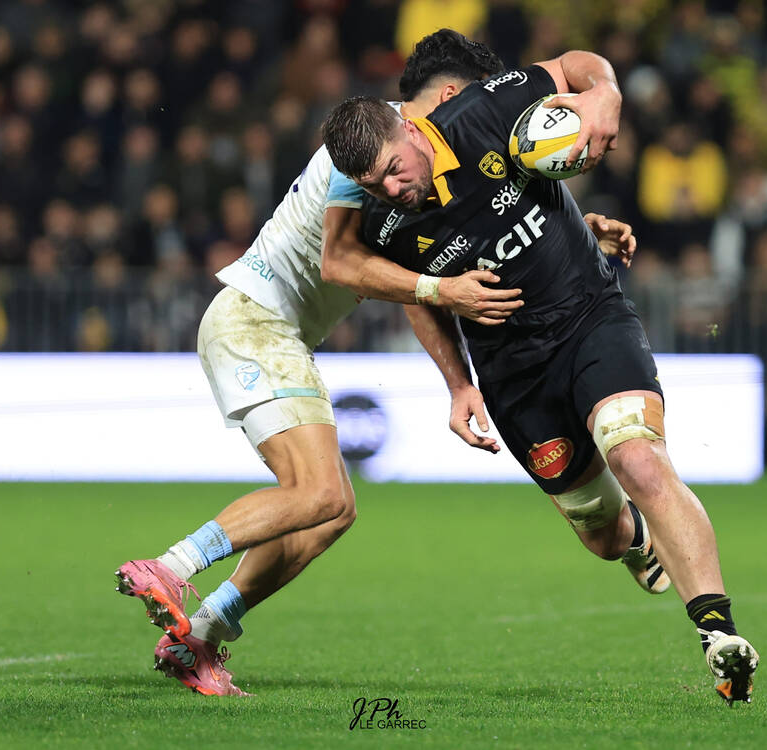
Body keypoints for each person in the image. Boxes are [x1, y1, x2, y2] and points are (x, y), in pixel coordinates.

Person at [112, 30, 642, 698]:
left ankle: (201, 634)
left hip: (275, 332)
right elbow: (345, 264)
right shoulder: (364, 145)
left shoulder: (410, 167)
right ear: (449, 96)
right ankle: (171, 566)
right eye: (471, 96)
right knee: (321, 494)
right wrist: (441, 292)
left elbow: (434, 262)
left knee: (332, 511)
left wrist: (570, 233)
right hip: (255, 323)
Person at [321, 50, 759, 704]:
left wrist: (603, 95)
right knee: (603, 534)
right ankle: (638, 542)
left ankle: (718, 635)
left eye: (391, 168)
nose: (390, 187)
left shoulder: (483, 114)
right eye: (371, 183)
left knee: (637, 457)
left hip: (589, 318)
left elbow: (578, 65)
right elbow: (412, 295)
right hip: (514, 377)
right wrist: (458, 383)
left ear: (409, 130)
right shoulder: (382, 222)